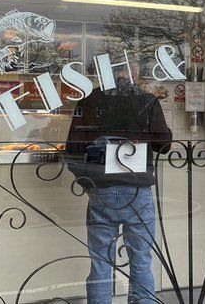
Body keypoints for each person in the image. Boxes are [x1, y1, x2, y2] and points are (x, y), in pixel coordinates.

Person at [66, 79, 172, 304]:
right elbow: (163, 144)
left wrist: (88, 184)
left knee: (100, 262)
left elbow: (73, 150)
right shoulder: (146, 100)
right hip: (138, 191)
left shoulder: (90, 99)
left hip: (101, 190)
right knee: (141, 260)